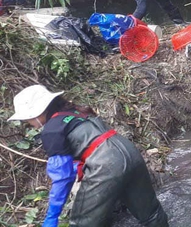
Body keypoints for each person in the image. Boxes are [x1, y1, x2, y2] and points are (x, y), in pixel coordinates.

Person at [7, 85, 168, 227]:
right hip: (129, 151)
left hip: (106, 164)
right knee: (151, 213)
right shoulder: (76, 112)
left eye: (27, 119)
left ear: (38, 112)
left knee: (82, 223)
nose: (29, 123)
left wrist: (52, 215)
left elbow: (63, 177)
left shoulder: (51, 131)